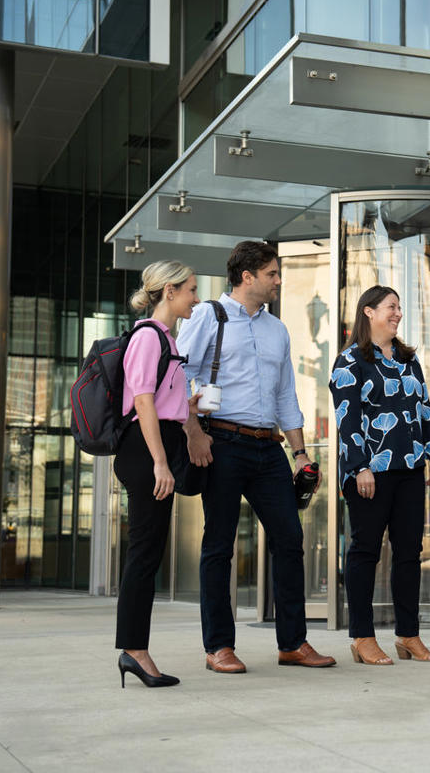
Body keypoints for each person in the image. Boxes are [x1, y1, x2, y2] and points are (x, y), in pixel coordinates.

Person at [178, 241, 335, 674]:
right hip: (222, 443)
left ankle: (293, 643)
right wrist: (193, 432)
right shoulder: (209, 315)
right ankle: (219, 647)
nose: (278, 280)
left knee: (289, 540)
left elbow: (286, 393)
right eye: (272, 273)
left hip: (269, 448)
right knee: (219, 546)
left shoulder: (277, 329)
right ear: (247, 276)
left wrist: (300, 453)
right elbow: (180, 374)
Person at [330, 285, 430, 665]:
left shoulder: (408, 359)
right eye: (391, 307)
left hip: (410, 467)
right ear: (368, 312)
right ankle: (362, 637)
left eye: (399, 307)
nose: (398, 313)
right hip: (370, 474)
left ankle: (408, 635)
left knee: (410, 552)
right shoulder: (349, 362)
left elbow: (424, 408)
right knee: (364, 552)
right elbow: (347, 421)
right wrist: (361, 466)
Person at [115, 260, 200, 688]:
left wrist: (191, 407)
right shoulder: (148, 337)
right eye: (190, 289)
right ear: (169, 291)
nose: (195, 297)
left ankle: (135, 649)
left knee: (148, 552)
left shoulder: (167, 339)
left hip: (158, 443)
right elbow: (143, 402)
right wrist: (160, 463)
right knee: (143, 553)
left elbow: (163, 402)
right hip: (146, 449)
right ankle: (134, 650)